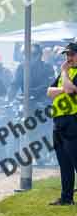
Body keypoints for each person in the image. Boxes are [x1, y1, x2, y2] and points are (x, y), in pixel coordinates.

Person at [46, 42, 77, 206]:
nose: (68, 58)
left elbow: (71, 90)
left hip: (73, 120)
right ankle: (66, 198)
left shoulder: (68, 72)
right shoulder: (66, 73)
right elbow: (49, 92)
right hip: (59, 120)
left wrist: (64, 73)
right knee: (64, 162)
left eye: (72, 54)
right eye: (67, 55)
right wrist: (63, 87)